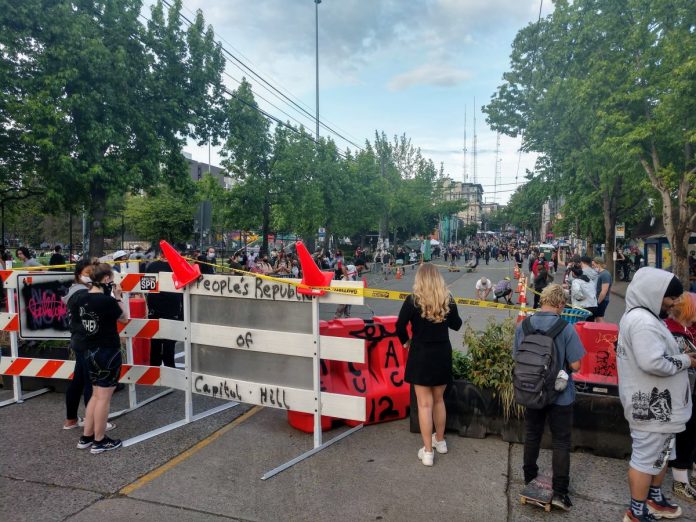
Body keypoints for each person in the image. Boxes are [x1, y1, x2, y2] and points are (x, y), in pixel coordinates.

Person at [617, 268, 695, 521]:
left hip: (660, 408)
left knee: (662, 454)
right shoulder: (642, 321)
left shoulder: (647, 318)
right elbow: (652, 362)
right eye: (669, 298)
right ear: (655, 294)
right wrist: (686, 360)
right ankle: (637, 510)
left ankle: (653, 497)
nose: (672, 304)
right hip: (651, 407)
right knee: (645, 458)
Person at [514, 284, 585, 511]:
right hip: (560, 395)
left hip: (531, 390)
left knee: (532, 434)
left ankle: (529, 479)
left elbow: (517, 357)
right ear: (561, 304)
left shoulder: (524, 325)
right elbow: (576, 364)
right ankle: (560, 492)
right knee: (561, 441)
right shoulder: (565, 328)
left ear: (542, 300)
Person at [396, 264, 462, 466]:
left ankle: (427, 452)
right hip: (442, 353)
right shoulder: (447, 299)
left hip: (420, 354)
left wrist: (406, 341)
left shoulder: (413, 300)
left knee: (424, 404)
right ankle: (440, 441)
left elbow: (399, 326)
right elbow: (456, 324)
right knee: (439, 400)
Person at [76, 263, 129, 454]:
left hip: (90, 351)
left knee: (96, 394)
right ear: (106, 279)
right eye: (111, 279)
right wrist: (119, 297)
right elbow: (124, 317)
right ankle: (99, 440)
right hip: (108, 351)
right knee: (104, 398)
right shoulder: (106, 301)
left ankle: (87, 436)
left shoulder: (83, 298)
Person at [61, 260, 116, 432]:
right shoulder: (82, 294)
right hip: (88, 342)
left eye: (93, 271)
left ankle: (71, 419)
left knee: (78, 379)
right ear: (79, 274)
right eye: (88, 272)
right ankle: (93, 424)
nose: (91, 275)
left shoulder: (74, 291)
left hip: (79, 340)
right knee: (91, 383)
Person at [664, 292, 696, 502]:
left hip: (688, 390)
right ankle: (680, 480)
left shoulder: (689, 329)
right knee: (686, 434)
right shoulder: (669, 330)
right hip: (680, 392)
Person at [145, 252, 183, 368]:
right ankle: (169, 365)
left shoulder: (151, 266)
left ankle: (154, 365)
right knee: (169, 340)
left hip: (154, 306)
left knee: (155, 338)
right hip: (172, 306)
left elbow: (147, 286)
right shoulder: (176, 266)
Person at [593, 257, 612, 323]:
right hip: (599, 299)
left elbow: (604, 291)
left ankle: (602, 332)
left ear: (598, 264)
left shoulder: (605, 274)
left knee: (599, 318)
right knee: (597, 318)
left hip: (602, 300)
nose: (593, 266)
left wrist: (598, 302)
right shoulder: (600, 273)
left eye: (594, 265)